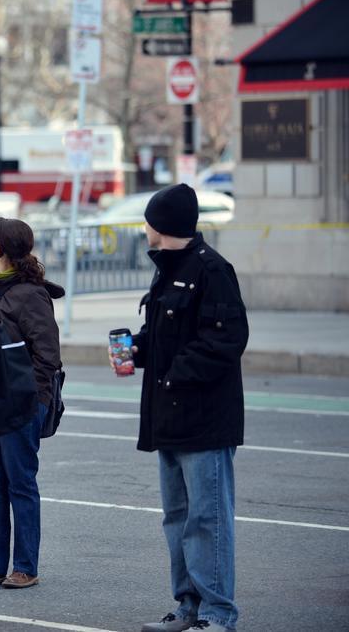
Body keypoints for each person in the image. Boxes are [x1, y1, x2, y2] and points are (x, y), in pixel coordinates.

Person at [122, 184, 248, 632]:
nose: (145, 227)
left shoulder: (212, 270)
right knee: (177, 518)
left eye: (149, 219)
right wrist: (137, 349)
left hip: (204, 419)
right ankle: (188, 606)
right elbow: (165, 335)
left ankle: (218, 614)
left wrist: (176, 373)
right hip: (168, 418)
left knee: (207, 519)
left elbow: (226, 341)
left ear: (161, 225)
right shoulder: (168, 268)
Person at [0, 218, 63, 590]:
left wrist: (33, 400)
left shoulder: (30, 293)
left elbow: (48, 355)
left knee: (20, 483)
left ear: (0, 248)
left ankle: (25, 566)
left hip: (20, 403)